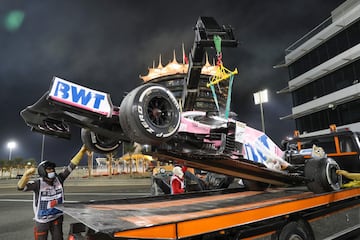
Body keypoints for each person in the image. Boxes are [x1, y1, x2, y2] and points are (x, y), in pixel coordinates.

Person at [17, 145, 90, 240]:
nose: (52, 170)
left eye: (52, 169)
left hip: (57, 218)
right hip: (42, 221)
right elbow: (20, 187)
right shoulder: (38, 184)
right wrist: (25, 176)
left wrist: (82, 151)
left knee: (58, 238)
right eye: (49, 169)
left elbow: (71, 166)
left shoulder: (59, 179)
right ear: (42, 171)